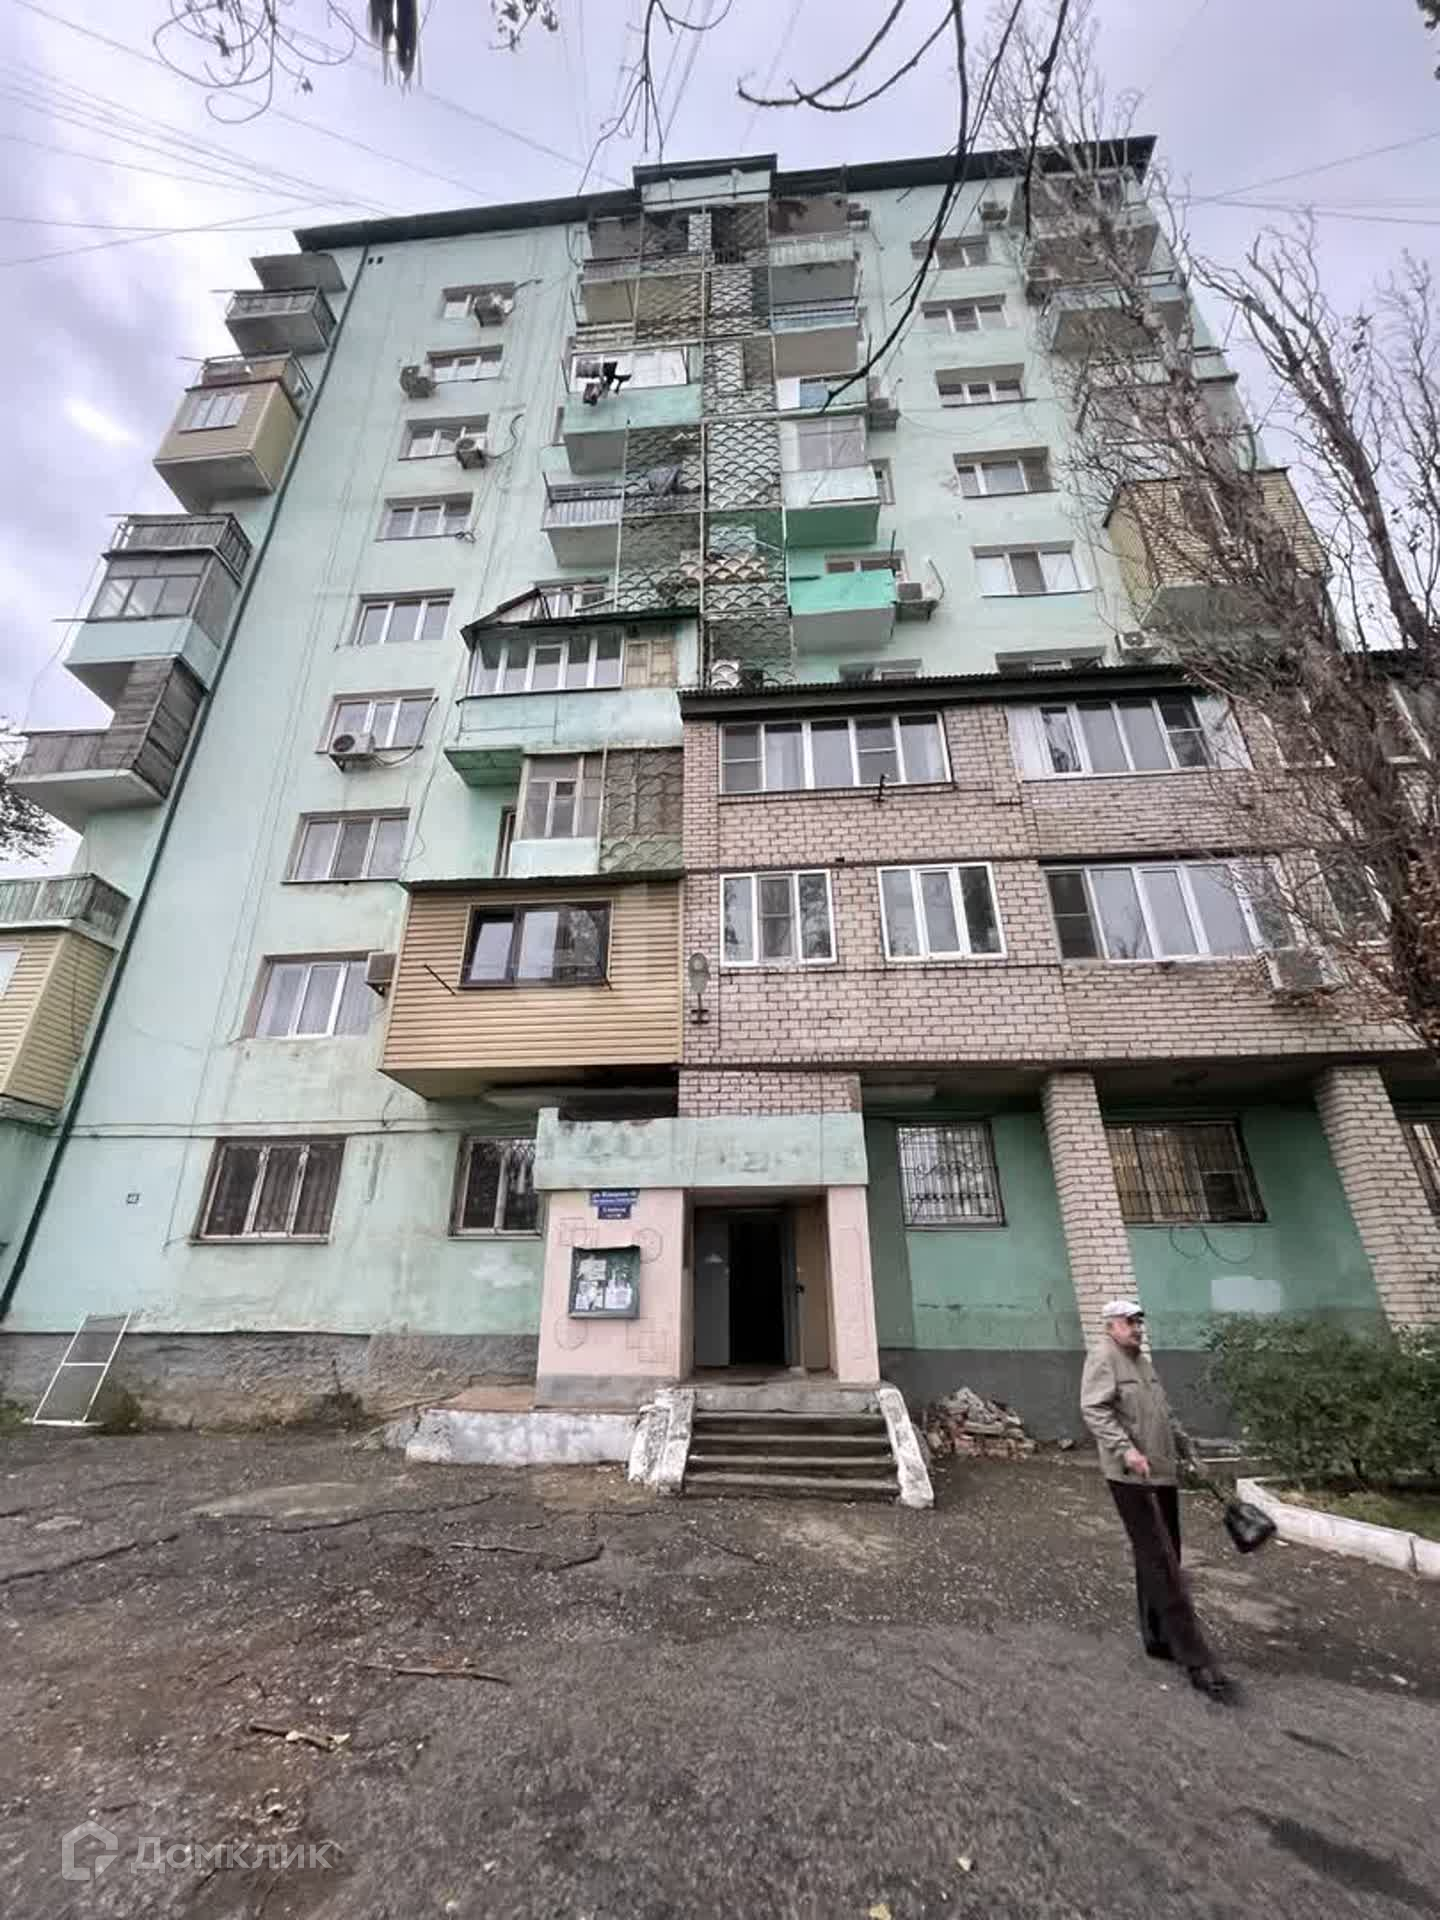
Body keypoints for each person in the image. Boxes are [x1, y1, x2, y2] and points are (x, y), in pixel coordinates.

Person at [1080, 1298, 1235, 1704]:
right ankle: (1197, 1660)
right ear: (1111, 1325)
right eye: (1129, 1322)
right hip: (1132, 1476)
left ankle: (1157, 1637)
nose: (1137, 1328)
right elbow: (1094, 1410)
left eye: (1139, 1322)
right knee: (1161, 1562)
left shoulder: (1142, 1362)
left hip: (1162, 1471)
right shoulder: (1104, 1358)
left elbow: (1163, 1412)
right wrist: (1125, 1450)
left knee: (1165, 1555)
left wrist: (1187, 1449)